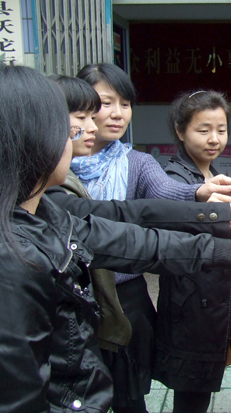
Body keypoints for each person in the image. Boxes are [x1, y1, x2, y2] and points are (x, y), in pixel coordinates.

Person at [0, 63, 231, 413]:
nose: (86, 129)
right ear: (32, 136)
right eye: (74, 121)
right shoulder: (15, 257)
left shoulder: (49, 211)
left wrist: (230, 235)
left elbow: (133, 228)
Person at [73, 63, 231, 413]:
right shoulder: (56, 165)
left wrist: (199, 192)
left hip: (125, 300)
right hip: (73, 296)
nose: (118, 113)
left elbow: (164, 194)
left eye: (125, 103)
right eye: (105, 103)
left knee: (129, 399)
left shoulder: (138, 163)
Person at [156, 90, 231, 412]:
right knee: (191, 395)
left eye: (221, 129)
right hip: (189, 303)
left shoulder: (215, 174)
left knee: (199, 389)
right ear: (180, 131)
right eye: (203, 130)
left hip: (211, 299)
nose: (214, 139)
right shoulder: (172, 177)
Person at [50, 74, 132, 353]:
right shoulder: (54, 187)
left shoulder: (134, 161)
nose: (93, 125)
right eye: (82, 117)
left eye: (125, 104)